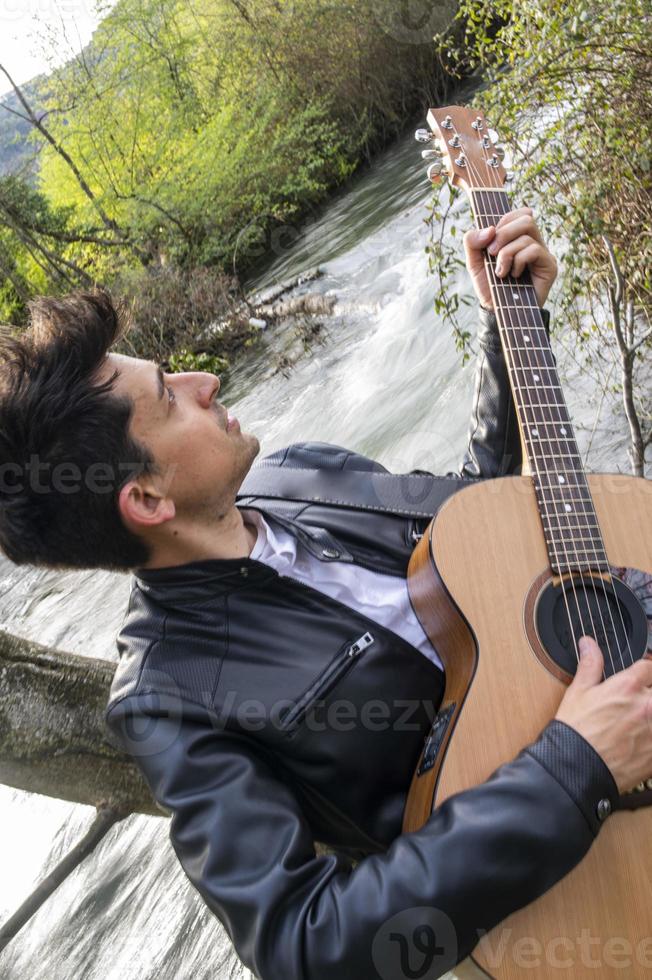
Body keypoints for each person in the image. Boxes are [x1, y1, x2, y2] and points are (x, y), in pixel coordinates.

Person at [0, 209, 650, 980]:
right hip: (586, 883)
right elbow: (309, 943)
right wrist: (572, 773)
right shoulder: (170, 695)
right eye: (171, 396)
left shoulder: (298, 469)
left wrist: (508, 327)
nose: (207, 382)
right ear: (146, 501)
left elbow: (479, 527)